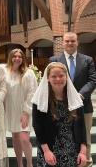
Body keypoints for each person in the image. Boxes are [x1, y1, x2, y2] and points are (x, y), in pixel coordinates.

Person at [49, 32, 96, 165]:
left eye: (72, 41)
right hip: (60, 107)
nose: (70, 43)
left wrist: (79, 95)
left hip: (84, 105)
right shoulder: (54, 60)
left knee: (85, 135)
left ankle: (86, 162)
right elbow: (51, 82)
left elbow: (92, 80)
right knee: (62, 135)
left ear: (77, 42)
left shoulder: (88, 60)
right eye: (67, 41)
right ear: (62, 43)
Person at [32, 62, 87, 167]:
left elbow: (81, 126)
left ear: (66, 77)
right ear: (47, 78)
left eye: (61, 75)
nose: (58, 79)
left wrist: (83, 152)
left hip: (71, 148)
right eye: (54, 76)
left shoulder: (75, 98)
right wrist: (46, 151)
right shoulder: (40, 100)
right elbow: (37, 126)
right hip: (50, 148)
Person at [4, 49, 37, 167]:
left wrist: (26, 112)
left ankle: (29, 163)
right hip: (11, 110)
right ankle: (19, 164)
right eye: (15, 56)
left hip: (24, 110)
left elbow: (32, 92)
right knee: (16, 138)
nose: (17, 58)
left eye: (20, 56)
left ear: (23, 59)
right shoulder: (5, 72)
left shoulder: (29, 73)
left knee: (24, 139)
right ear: (10, 58)